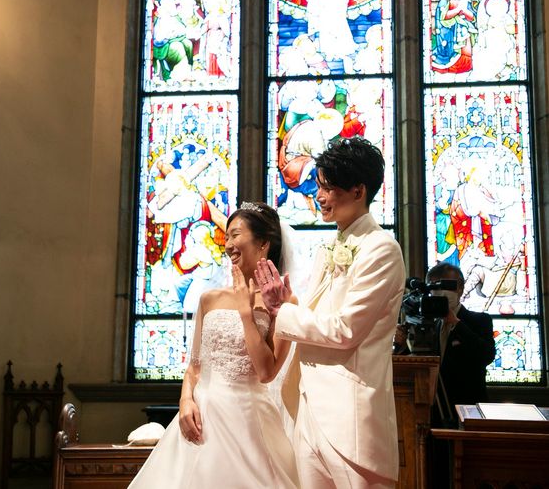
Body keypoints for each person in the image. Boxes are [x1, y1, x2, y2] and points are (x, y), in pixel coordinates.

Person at [257, 136, 406, 489]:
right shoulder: (327, 248)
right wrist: (289, 303)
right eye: (319, 186)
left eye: (328, 188)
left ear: (358, 191)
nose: (319, 196)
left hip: (350, 414)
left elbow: (345, 330)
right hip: (309, 404)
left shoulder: (381, 249)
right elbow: (316, 316)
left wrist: (281, 312)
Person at [128, 202, 300, 489]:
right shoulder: (210, 299)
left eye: (236, 235)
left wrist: (246, 312)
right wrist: (185, 401)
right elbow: (195, 367)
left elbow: (266, 372)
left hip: (249, 421)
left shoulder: (284, 302)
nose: (228, 244)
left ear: (263, 244)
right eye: (227, 237)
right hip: (203, 417)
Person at [427, 262, 496, 415]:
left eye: (448, 286)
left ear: (460, 288)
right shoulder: (430, 326)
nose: (442, 292)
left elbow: (487, 355)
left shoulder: (479, 321)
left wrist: (456, 324)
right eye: (436, 286)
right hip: (436, 410)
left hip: (468, 407)